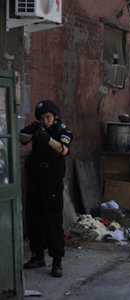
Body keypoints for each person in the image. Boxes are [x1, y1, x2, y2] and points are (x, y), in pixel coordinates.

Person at [20, 100, 73, 277]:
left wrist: (48, 139)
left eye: (48, 117)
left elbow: (64, 150)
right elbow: (21, 138)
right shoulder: (38, 128)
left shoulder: (62, 131)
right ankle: (38, 255)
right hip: (36, 179)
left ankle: (57, 261)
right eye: (42, 117)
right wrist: (35, 132)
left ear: (55, 116)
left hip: (52, 181)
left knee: (52, 221)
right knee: (33, 217)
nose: (45, 120)